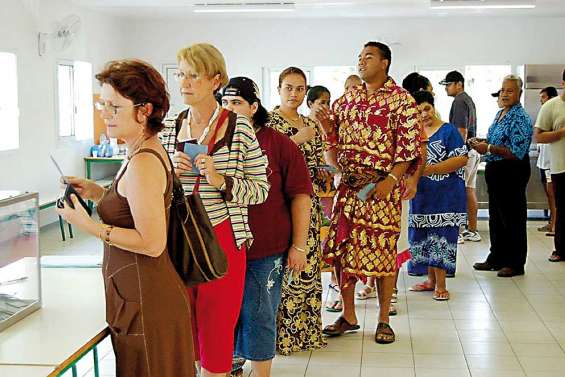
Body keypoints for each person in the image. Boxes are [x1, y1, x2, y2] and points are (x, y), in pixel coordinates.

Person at [57, 59, 195, 377]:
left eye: (114, 106)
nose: (104, 113)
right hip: (137, 297)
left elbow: (151, 243)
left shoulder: (144, 161)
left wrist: (90, 226)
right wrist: (95, 192)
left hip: (147, 301)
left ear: (144, 110)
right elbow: (133, 207)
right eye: (102, 103)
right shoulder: (138, 150)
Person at [170, 44, 269, 377]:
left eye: (193, 75)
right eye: (181, 74)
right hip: (178, 237)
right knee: (184, 326)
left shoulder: (239, 128)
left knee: (216, 330)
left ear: (216, 80)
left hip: (223, 236)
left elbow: (261, 189)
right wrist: (171, 173)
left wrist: (221, 179)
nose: (184, 82)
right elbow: (154, 187)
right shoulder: (171, 126)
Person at [317, 42, 421, 344]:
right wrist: (326, 129)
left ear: (385, 63)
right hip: (350, 190)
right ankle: (349, 316)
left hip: (381, 189)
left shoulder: (402, 102)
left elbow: (410, 147)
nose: (361, 61)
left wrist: (392, 178)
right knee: (344, 251)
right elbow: (332, 151)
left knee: (384, 253)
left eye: (369, 57)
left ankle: (384, 319)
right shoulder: (345, 101)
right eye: (359, 57)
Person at [221, 77, 312, 377]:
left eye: (236, 103)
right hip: (222, 247)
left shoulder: (278, 144)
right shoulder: (214, 143)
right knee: (224, 313)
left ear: (253, 107)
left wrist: (299, 246)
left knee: (258, 313)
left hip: (266, 250)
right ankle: (229, 364)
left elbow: (301, 196)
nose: (229, 109)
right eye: (224, 103)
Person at [268, 67, 328, 355]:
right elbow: (263, 163)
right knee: (281, 271)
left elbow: (317, 165)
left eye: (300, 88)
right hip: (278, 207)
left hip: (309, 205)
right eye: (289, 87)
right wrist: (295, 141)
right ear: (278, 88)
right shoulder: (267, 123)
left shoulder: (310, 123)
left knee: (308, 267)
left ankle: (306, 333)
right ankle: (279, 338)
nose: (294, 94)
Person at [408, 91, 468, 301]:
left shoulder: (448, 131)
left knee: (441, 238)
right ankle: (430, 281)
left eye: (427, 108)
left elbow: (461, 159)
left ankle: (441, 285)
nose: (424, 114)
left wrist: (428, 170)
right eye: (419, 110)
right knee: (423, 237)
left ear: (433, 107)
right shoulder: (413, 134)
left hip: (446, 197)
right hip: (422, 197)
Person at [471, 74, 533, 277]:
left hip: (512, 171)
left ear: (519, 93)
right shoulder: (500, 113)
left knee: (513, 218)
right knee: (496, 217)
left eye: (510, 90)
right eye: (503, 90)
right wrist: (482, 141)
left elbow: (516, 151)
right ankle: (496, 257)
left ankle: (515, 263)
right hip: (496, 170)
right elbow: (496, 139)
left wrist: (488, 147)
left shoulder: (520, 117)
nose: (505, 94)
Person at [440, 71, 481, 244]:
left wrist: (456, 155)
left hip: (464, 153)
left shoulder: (458, 101)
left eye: (448, 85)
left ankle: (455, 232)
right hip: (473, 152)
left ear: (459, 84)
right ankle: (472, 230)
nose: (446, 89)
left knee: (455, 191)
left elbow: (461, 131)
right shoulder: (468, 100)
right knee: (469, 190)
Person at [535, 74, 565, 262]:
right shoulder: (551, 106)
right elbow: (539, 136)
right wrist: (561, 132)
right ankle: (560, 249)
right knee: (562, 209)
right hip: (560, 167)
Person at [536, 86, 559, 236]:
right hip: (543, 162)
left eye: (543, 97)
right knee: (549, 194)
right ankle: (552, 221)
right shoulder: (544, 115)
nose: (541, 101)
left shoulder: (555, 115)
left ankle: (556, 225)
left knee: (553, 194)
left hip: (552, 162)